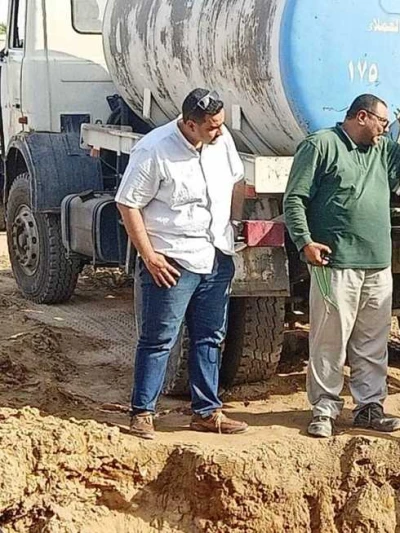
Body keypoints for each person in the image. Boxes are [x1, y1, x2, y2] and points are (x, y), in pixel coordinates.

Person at [284, 92, 400, 438]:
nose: (386, 128)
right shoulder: (321, 145)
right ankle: (324, 408)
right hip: (334, 262)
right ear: (362, 117)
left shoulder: (382, 150)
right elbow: (295, 197)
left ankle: (370, 407)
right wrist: (304, 242)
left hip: (377, 264)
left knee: (372, 340)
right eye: (382, 122)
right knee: (329, 339)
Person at [116, 88, 249, 439]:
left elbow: (238, 180)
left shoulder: (221, 141)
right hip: (172, 260)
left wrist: (233, 223)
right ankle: (142, 412)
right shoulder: (154, 149)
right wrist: (149, 256)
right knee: (159, 338)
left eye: (221, 125)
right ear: (190, 124)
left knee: (210, 337)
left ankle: (207, 411)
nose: (219, 132)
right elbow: (128, 203)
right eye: (212, 127)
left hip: (216, 255)